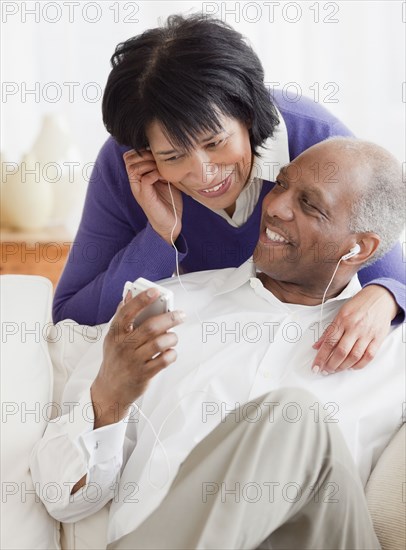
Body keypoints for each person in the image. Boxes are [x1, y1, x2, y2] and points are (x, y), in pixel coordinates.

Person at [31, 137, 405, 548]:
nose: (276, 207)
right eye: (280, 185)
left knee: (293, 416)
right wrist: (109, 399)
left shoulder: (395, 353)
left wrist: (392, 294)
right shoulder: (160, 312)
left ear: (359, 247)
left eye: (309, 205)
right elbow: (58, 496)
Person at [53, 14, 405, 375]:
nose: (205, 174)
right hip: (196, 365)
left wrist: (386, 296)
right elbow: (71, 320)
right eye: (173, 156)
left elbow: (387, 263)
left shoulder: (320, 145)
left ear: (248, 114)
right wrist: (160, 239)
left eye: (215, 142)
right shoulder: (125, 166)